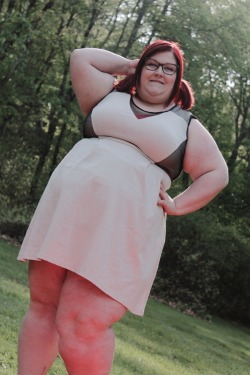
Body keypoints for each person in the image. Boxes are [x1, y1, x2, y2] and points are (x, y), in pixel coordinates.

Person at [17, 40, 228, 375]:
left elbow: (216, 173)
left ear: (178, 80)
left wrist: (178, 205)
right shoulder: (107, 97)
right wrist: (132, 64)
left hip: (123, 226)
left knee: (82, 324)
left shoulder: (185, 124)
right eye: (153, 64)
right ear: (140, 68)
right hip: (68, 210)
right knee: (44, 306)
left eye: (169, 68)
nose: (160, 72)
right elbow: (82, 57)